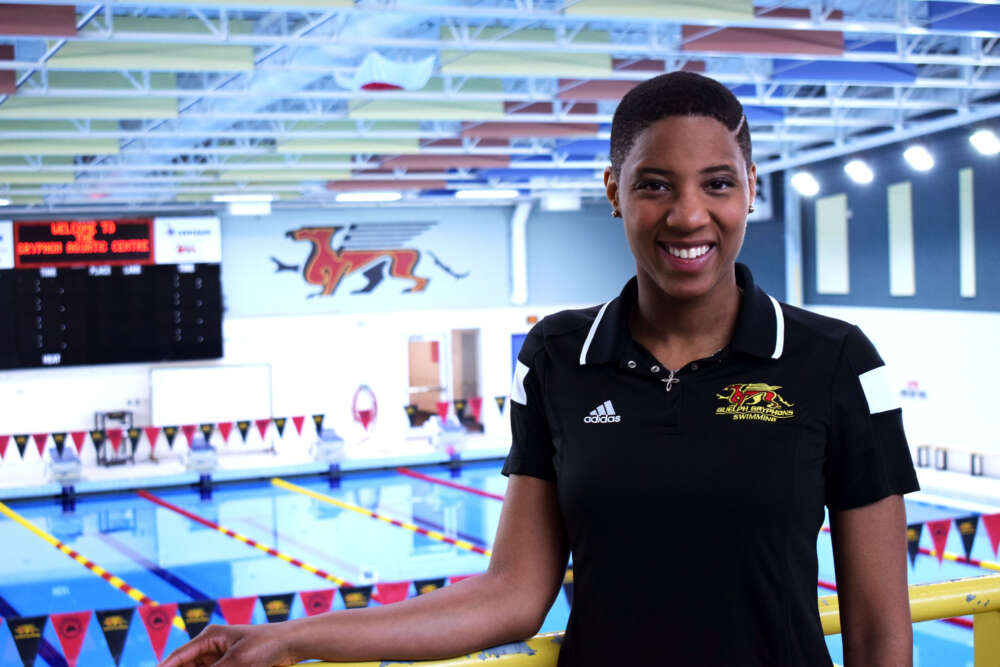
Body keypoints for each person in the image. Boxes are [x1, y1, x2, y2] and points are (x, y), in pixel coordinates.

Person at [159, 71, 919, 667]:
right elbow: (513, 593)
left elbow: (880, 626)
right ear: (613, 192)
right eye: (654, 183)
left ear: (750, 186)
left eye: (717, 183)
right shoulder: (557, 357)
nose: (689, 214)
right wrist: (293, 638)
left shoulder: (836, 360)